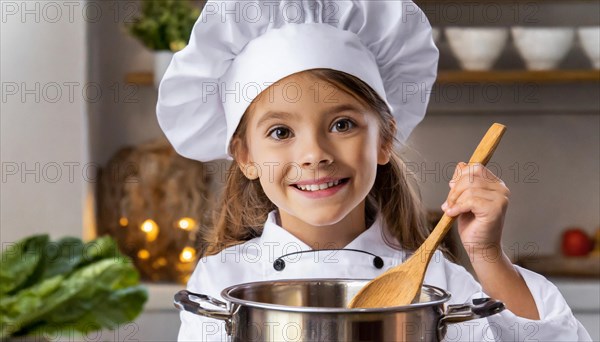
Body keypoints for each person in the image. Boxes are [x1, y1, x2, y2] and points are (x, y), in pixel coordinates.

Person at [157, 1, 592, 341]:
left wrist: (486, 256)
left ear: (384, 140)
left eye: (342, 124)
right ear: (245, 155)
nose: (314, 154)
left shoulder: (433, 280)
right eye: (281, 131)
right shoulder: (222, 281)